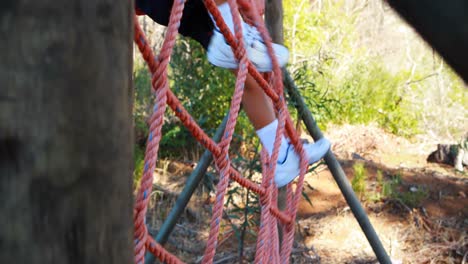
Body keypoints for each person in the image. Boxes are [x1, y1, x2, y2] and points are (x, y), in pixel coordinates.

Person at [135, 0, 331, 187]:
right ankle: (233, 35)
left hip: (180, 10)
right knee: (239, 56)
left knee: (247, 77)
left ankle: (282, 157)